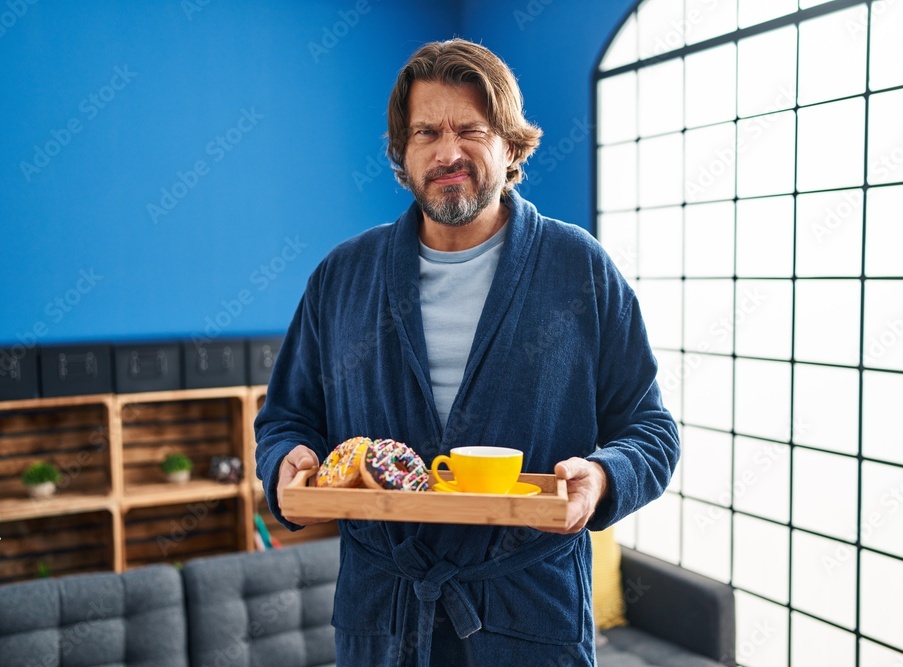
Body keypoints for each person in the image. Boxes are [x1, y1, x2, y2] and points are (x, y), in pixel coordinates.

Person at [254, 38, 679, 666]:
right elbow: (286, 418)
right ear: (403, 153)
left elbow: (651, 430)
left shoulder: (578, 270)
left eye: (470, 129)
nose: (447, 152)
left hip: (530, 616)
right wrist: (286, 460)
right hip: (384, 619)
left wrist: (605, 477)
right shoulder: (343, 277)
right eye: (426, 132)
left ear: (510, 145)